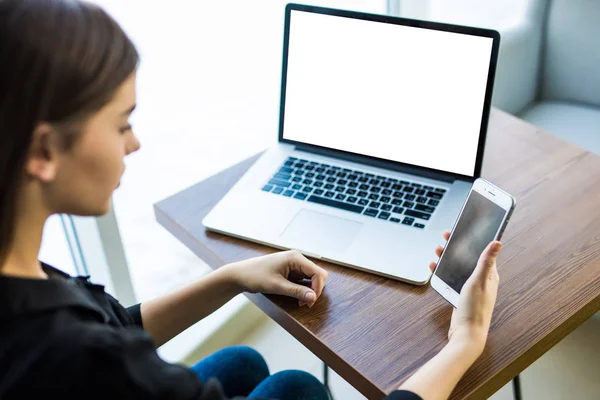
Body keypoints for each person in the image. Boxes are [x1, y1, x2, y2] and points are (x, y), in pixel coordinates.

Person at [0, 1, 502, 399]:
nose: (134, 144)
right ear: (44, 151)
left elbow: (112, 325)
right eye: (122, 123)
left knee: (244, 362)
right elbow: (103, 353)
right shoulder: (88, 363)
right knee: (298, 387)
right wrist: (465, 342)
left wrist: (232, 277)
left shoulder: (20, 273)